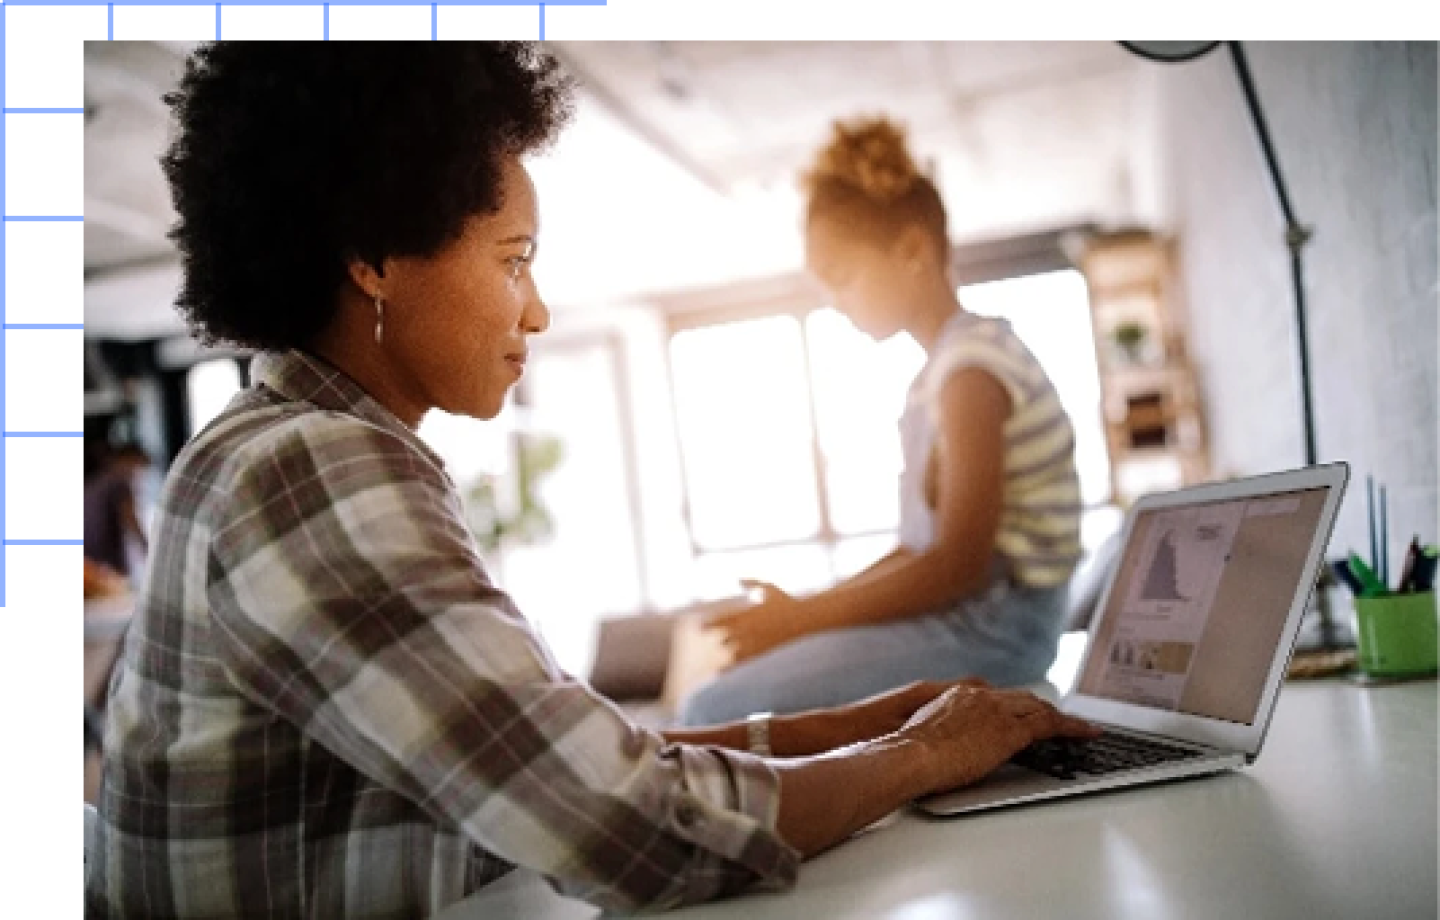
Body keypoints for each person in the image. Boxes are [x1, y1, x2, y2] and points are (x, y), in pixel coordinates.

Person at [85, 43, 1097, 919]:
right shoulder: (310, 470)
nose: (537, 312)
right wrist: (923, 757)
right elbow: (626, 823)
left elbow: (556, 755)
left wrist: (859, 722)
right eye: (514, 258)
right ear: (376, 259)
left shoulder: (273, 444)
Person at [679, 116, 1085, 727]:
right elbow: (918, 550)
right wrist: (806, 610)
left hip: (999, 633)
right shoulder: (942, 372)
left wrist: (806, 620)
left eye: (842, 279)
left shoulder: (972, 371)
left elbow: (957, 567)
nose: (836, 303)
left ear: (914, 251)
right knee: (722, 697)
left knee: (713, 708)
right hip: (968, 618)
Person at [81, 439, 153, 584]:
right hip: (107, 560)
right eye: (137, 466)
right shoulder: (119, 483)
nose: (136, 474)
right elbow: (131, 521)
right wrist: (150, 552)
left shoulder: (93, 482)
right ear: (128, 458)